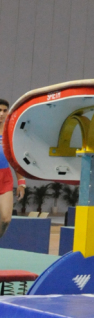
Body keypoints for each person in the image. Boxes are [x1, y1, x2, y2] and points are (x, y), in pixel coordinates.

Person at [0, 99, 25, 236]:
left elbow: (15, 160)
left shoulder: (9, 134)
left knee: (5, 219)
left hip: (5, 178)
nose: (1, 114)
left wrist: (21, 182)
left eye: (4, 111)